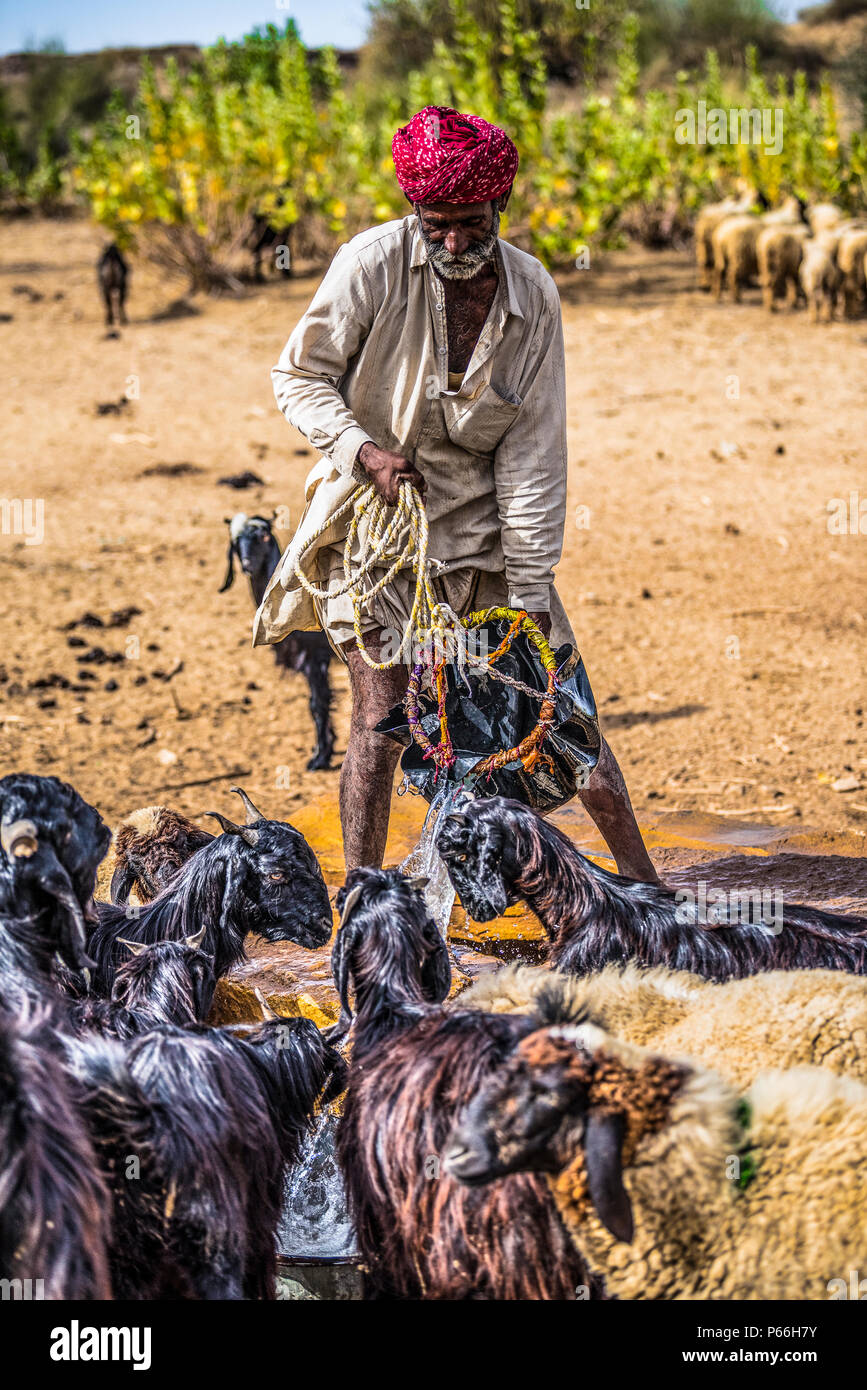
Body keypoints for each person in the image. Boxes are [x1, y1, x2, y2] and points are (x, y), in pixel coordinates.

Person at [255, 105, 658, 883]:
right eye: (436, 223)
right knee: (380, 724)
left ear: (497, 210)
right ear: (416, 211)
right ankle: (364, 905)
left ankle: (649, 894)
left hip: (485, 536)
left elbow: (535, 451)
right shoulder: (369, 264)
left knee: (560, 715)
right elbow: (297, 376)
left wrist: (531, 592)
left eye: (471, 224)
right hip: (377, 532)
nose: (453, 242)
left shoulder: (531, 294)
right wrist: (361, 449)